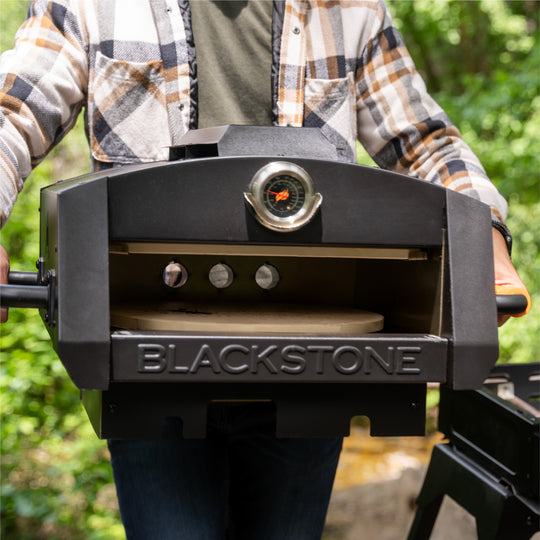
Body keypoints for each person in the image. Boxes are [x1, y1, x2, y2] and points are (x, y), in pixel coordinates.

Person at [0, 1, 530, 538]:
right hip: (149, 372)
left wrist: (482, 231)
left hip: (315, 365)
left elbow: (423, 140)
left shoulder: (350, 10)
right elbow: (13, 110)